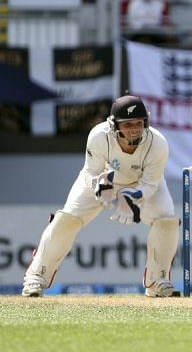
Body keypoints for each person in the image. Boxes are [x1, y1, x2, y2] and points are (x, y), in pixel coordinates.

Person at [22, 95, 180, 298]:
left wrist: (130, 195)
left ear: (146, 122)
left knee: (166, 220)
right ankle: (37, 276)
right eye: (128, 124)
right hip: (104, 178)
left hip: (139, 184)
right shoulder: (99, 136)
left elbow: (151, 183)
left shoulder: (157, 143)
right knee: (67, 219)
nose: (134, 129)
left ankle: (157, 280)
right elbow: (90, 172)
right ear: (114, 125)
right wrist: (99, 185)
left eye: (139, 123)